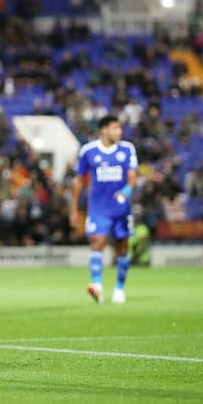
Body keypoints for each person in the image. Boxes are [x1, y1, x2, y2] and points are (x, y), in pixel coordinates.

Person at [70, 115, 138, 304]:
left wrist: (125, 191)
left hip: (121, 209)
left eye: (120, 128)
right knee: (97, 241)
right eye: (116, 128)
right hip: (98, 208)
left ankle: (119, 288)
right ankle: (98, 286)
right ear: (104, 130)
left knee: (122, 247)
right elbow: (78, 180)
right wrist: (74, 209)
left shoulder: (127, 149)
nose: (120, 132)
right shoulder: (88, 151)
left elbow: (132, 177)